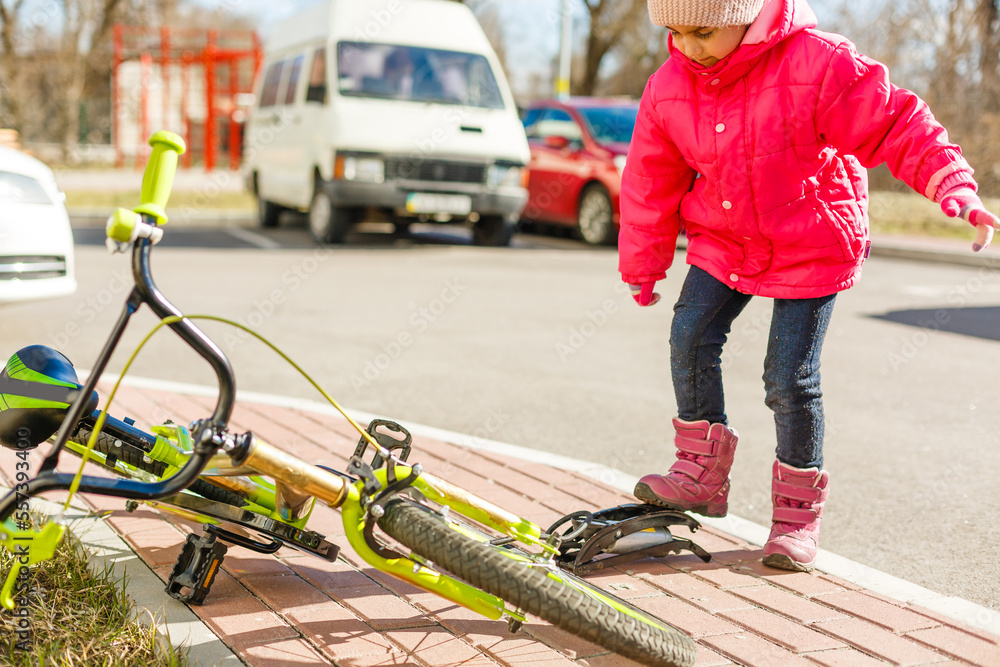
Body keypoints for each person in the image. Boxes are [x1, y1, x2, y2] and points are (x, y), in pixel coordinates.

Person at [619, 0, 1000, 572]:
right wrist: (643, 263)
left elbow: (895, 122)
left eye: (703, 31)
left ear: (746, 13)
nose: (689, 47)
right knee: (690, 335)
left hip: (810, 237)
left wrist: (954, 186)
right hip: (726, 236)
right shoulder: (670, 86)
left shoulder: (816, 62)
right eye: (675, 32)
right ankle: (700, 473)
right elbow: (651, 177)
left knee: (788, 376)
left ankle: (796, 518)